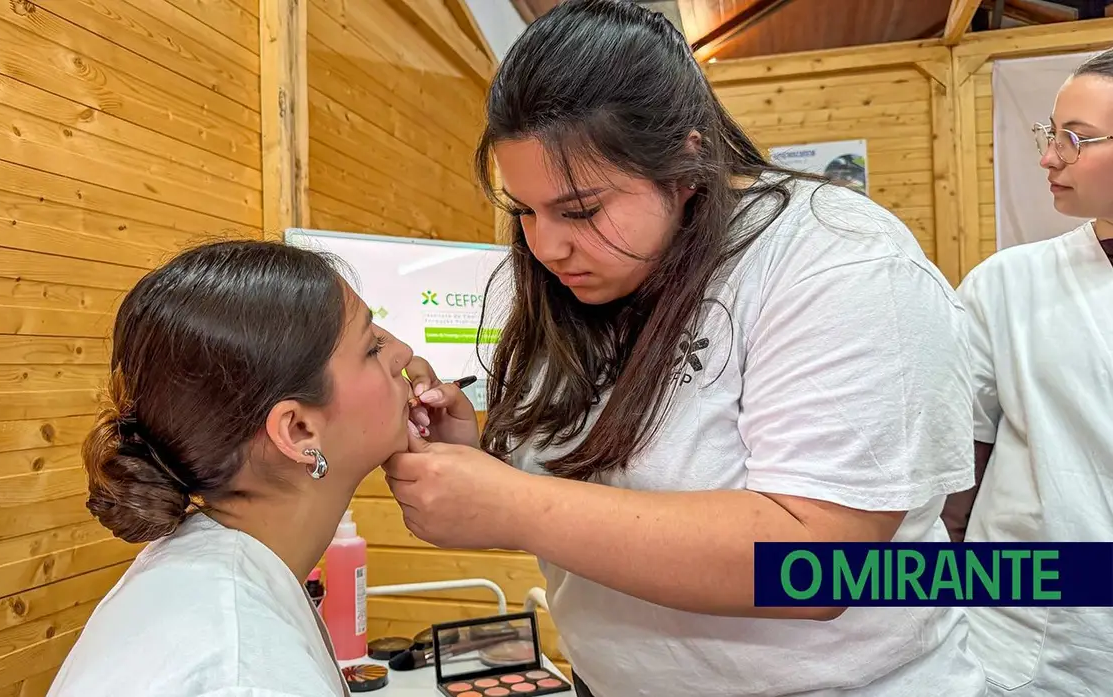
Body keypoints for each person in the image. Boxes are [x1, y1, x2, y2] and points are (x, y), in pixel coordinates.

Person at [388, 2, 987, 695]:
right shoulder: (576, 277)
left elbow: (819, 565)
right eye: (524, 211)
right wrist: (478, 463)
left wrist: (514, 502)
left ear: (687, 161)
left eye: (581, 210)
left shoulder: (839, 262)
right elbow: (592, 505)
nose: (547, 247)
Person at [47, 240, 416, 697]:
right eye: (372, 347)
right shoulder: (245, 672)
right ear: (299, 431)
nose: (402, 352)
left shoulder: (209, 566)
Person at [940, 48, 1113, 696]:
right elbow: (956, 473)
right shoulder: (1008, 286)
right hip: (1030, 641)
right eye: (1051, 135)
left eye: (1075, 140)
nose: (1049, 158)